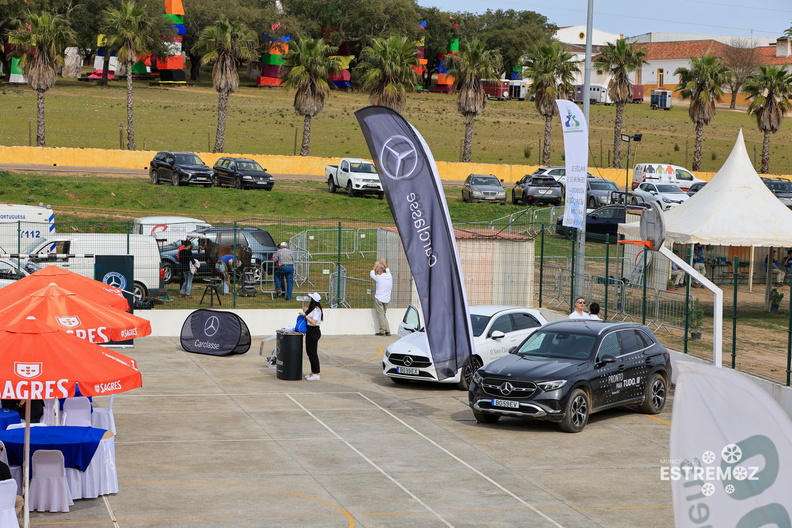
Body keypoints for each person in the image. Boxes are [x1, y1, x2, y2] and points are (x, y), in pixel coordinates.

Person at [300, 292, 323, 381]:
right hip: (310, 331)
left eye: (310, 298)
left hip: (314, 331)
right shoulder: (312, 308)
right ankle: (313, 372)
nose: (309, 298)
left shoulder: (317, 310)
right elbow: (305, 310)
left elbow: (314, 322)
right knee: (309, 352)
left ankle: (316, 373)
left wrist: (305, 316)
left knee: (313, 353)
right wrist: (303, 303)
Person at [370, 257, 393, 336]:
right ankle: (388, 330)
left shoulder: (379, 277)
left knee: (380, 315)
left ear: (380, 272)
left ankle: (382, 331)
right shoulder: (389, 276)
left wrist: (375, 266)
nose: (377, 273)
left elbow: (371, 274)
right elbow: (388, 269)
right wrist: (384, 263)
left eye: (377, 272)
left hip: (379, 299)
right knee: (383, 315)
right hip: (387, 299)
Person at [0, 444, 23, 518]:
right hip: (3, 499)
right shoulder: (3, 467)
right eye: (1, 449)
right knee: (20, 501)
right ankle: (7, 520)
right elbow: (10, 485)